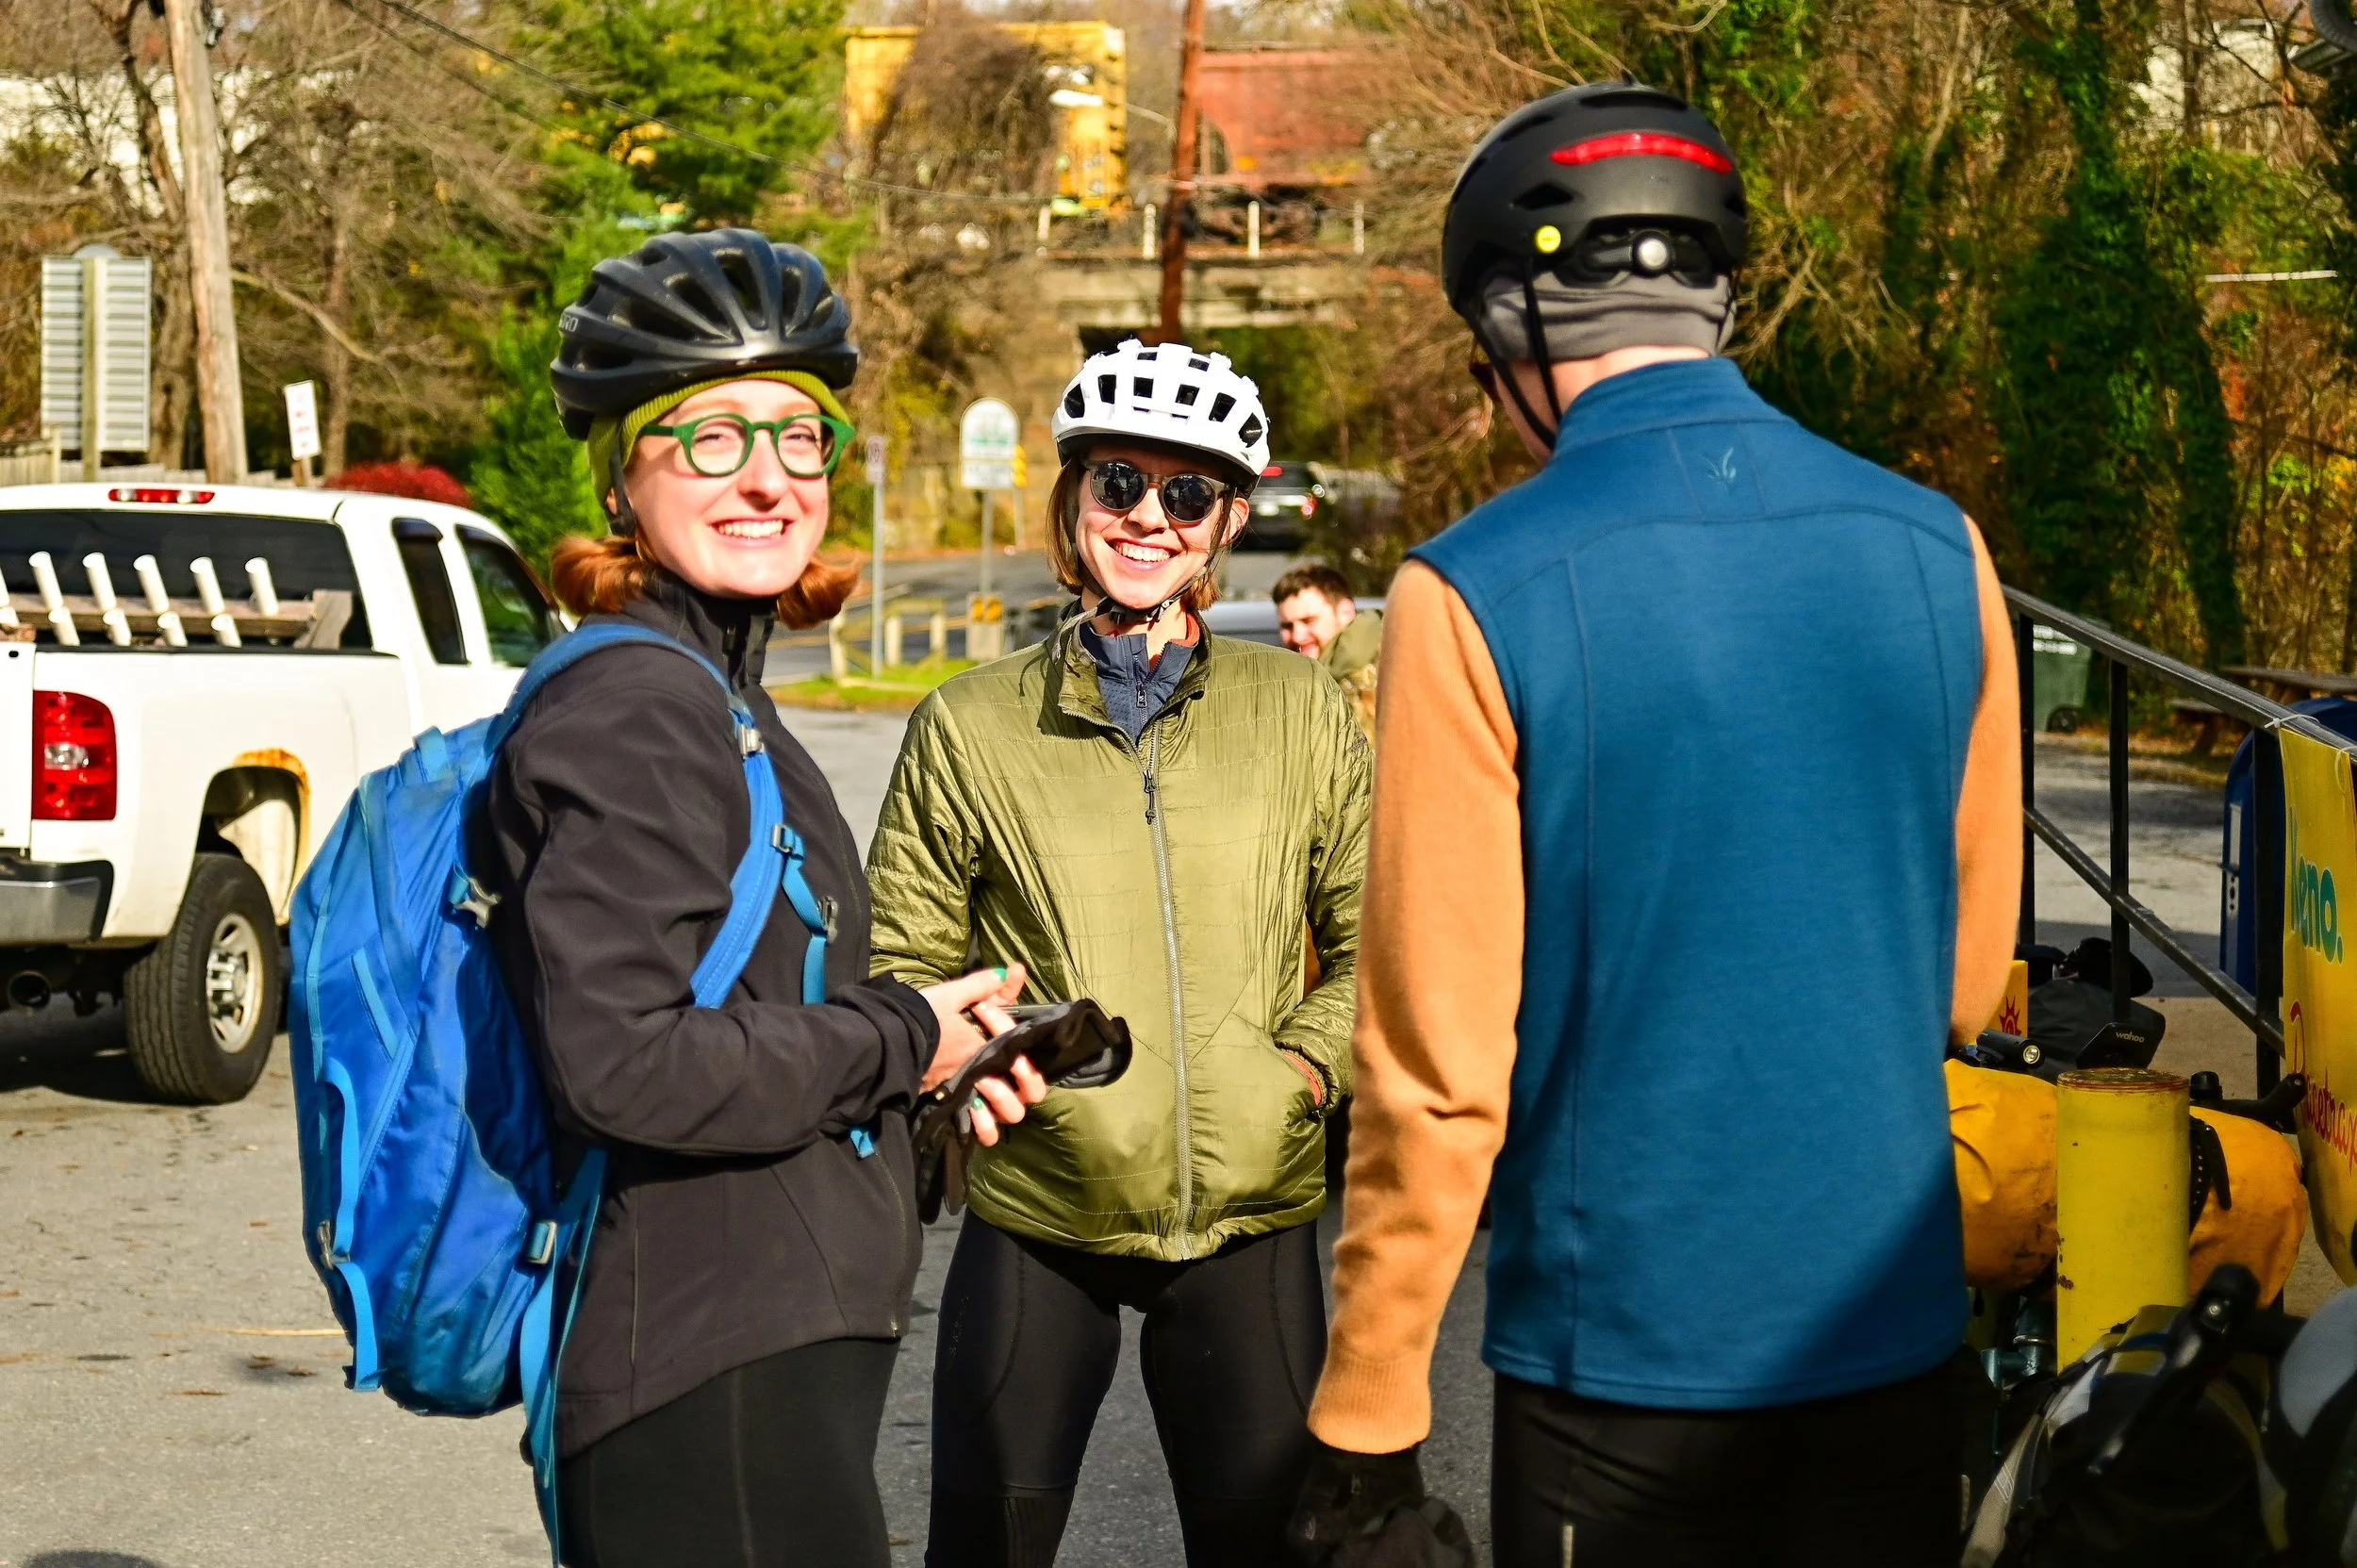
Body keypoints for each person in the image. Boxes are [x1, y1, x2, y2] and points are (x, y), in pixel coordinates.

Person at [1291, 85, 2021, 1567]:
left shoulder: (1469, 587)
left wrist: (1368, 1409)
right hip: (1888, 1325)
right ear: (1720, 292)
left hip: (1621, 1346)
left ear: (1515, 326)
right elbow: (1968, 977)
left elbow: (1437, 1067)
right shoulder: (1940, 543)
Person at [488, 228, 1047, 1568]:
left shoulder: (721, 693)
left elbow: (752, 1017)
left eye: (802, 436)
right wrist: (905, 1034)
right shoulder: (632, 705)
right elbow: (622, 1062)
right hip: (703, 1369)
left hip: (772, 1347)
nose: (768, 477)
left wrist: (932, 1073)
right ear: (621, 480)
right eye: (710, 435)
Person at [865, 338, 1373, 1568]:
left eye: (1187, 492)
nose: (1150, 516)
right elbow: (905, 965)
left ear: (1228, 520)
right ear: (1073, 500)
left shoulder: (1302, 709)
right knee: (984, 1543)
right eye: (1119, 484)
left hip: (1252, 1218)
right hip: (1046, 1207)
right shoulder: (969, 722)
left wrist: (1295, 1075)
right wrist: (968, 1067)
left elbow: (1382, 946)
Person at [1273, 564, 1382, 743]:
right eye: (1287, 626)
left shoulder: (1366, 675)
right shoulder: (1310, 678)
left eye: (1309, 620)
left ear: (1345, 611)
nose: (1297, 636)